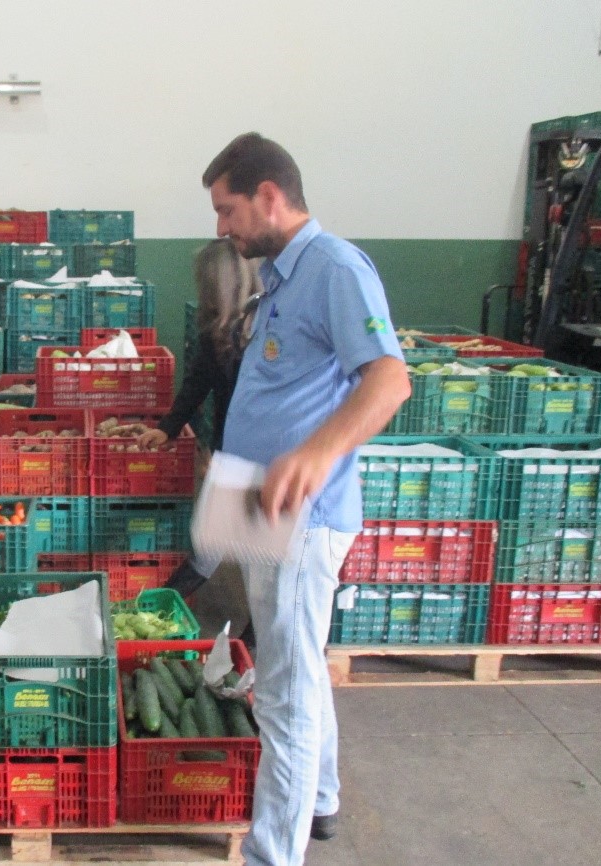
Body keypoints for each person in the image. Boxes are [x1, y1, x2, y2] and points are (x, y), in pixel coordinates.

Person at [202, 133, 410, 866]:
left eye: (227, 210)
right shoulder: (283, 275)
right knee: (297, 662)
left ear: (268, 195)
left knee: (284, 696)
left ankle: (273, 855)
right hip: (261, 502)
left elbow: (389, 379)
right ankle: (320, 798)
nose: (222, 228)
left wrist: (316, 455)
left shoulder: (334, 267)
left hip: (301, 515)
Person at [137, 238, 260, 640]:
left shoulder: (268, 329)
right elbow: (197, 385)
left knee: (258, 555)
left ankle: (246, 646)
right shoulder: (217, 331)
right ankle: (152, 618)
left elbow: (267, 408)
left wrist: (230, 462)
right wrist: (167, 427)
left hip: (265, 456)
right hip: (233, 451)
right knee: (217, 543)